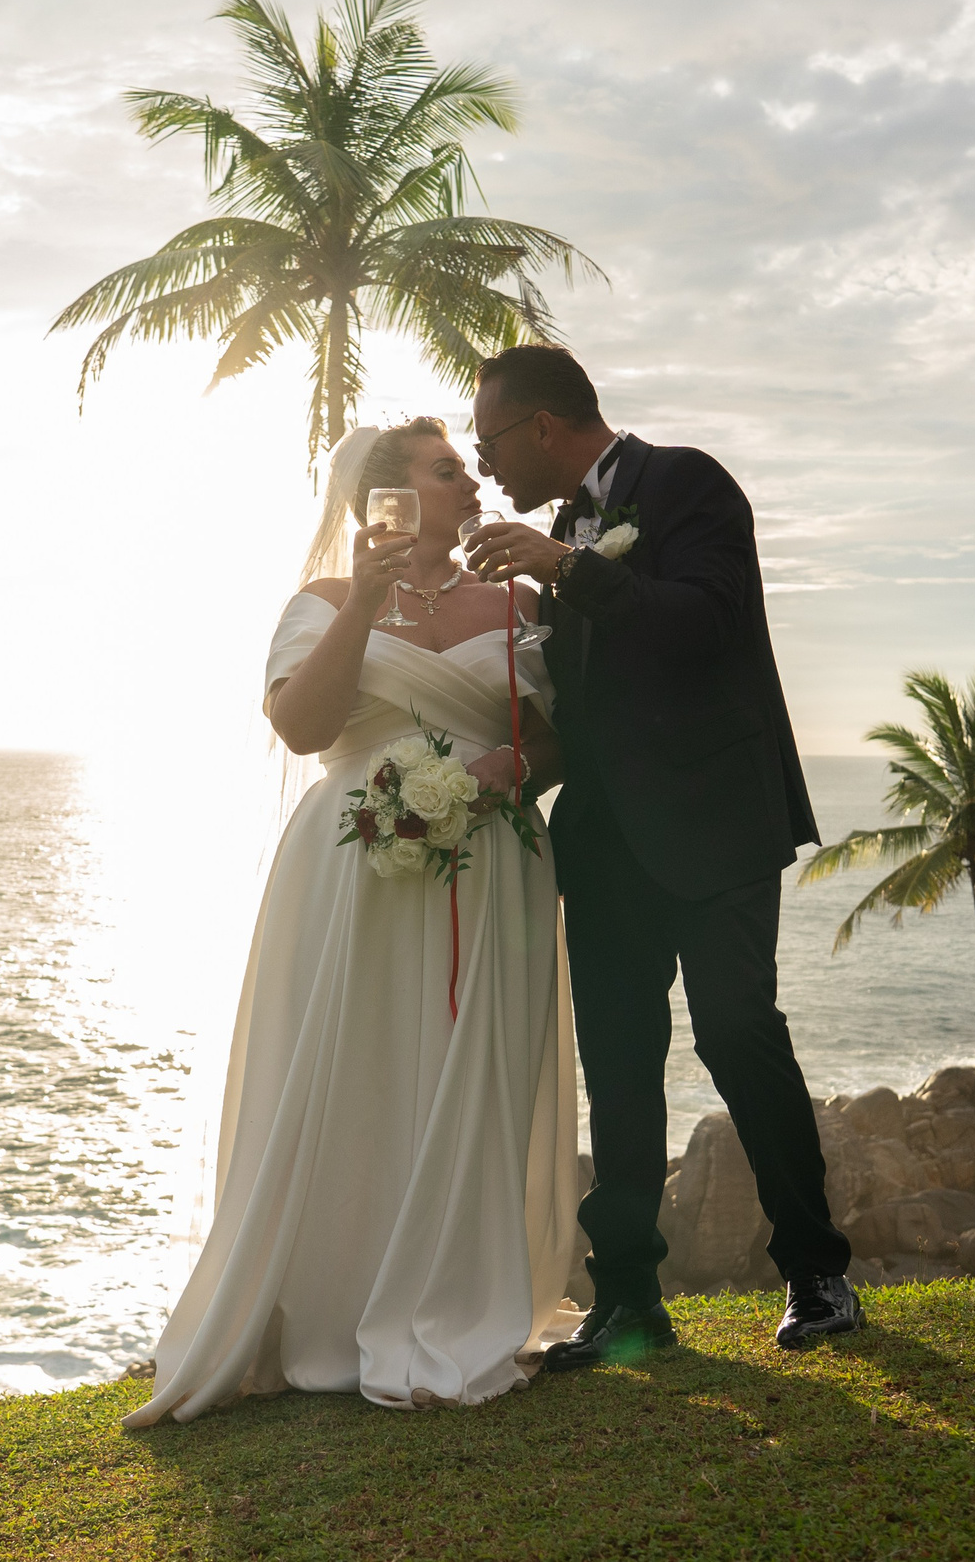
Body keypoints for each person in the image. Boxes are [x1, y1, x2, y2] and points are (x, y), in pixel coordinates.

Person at [124, 418, 581, 1428]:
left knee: (475, 1067)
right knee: (348, 1070)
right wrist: (365, 599)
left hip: (490, 860)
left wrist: (515, 768)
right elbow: (301, 727)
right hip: (350, 863)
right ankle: (329, 1305)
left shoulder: (515, 602)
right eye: (445, 469)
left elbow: (557, 735)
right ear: (385, 496)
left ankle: (452, 1300)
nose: (471, 480)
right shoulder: (324, 601)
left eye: (468, 468)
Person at [461, 344, 861, 1366]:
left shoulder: (686, 482)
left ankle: (816, 1273)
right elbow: (592, 700)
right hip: (604, 840)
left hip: (717, 823)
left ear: (543, 426)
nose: (484, 463)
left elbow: (703, 624)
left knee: (736, 1033)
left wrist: (569, 570)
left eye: (489, 440)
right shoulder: (563, 531)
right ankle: (629, 1299)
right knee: (620, 1065)